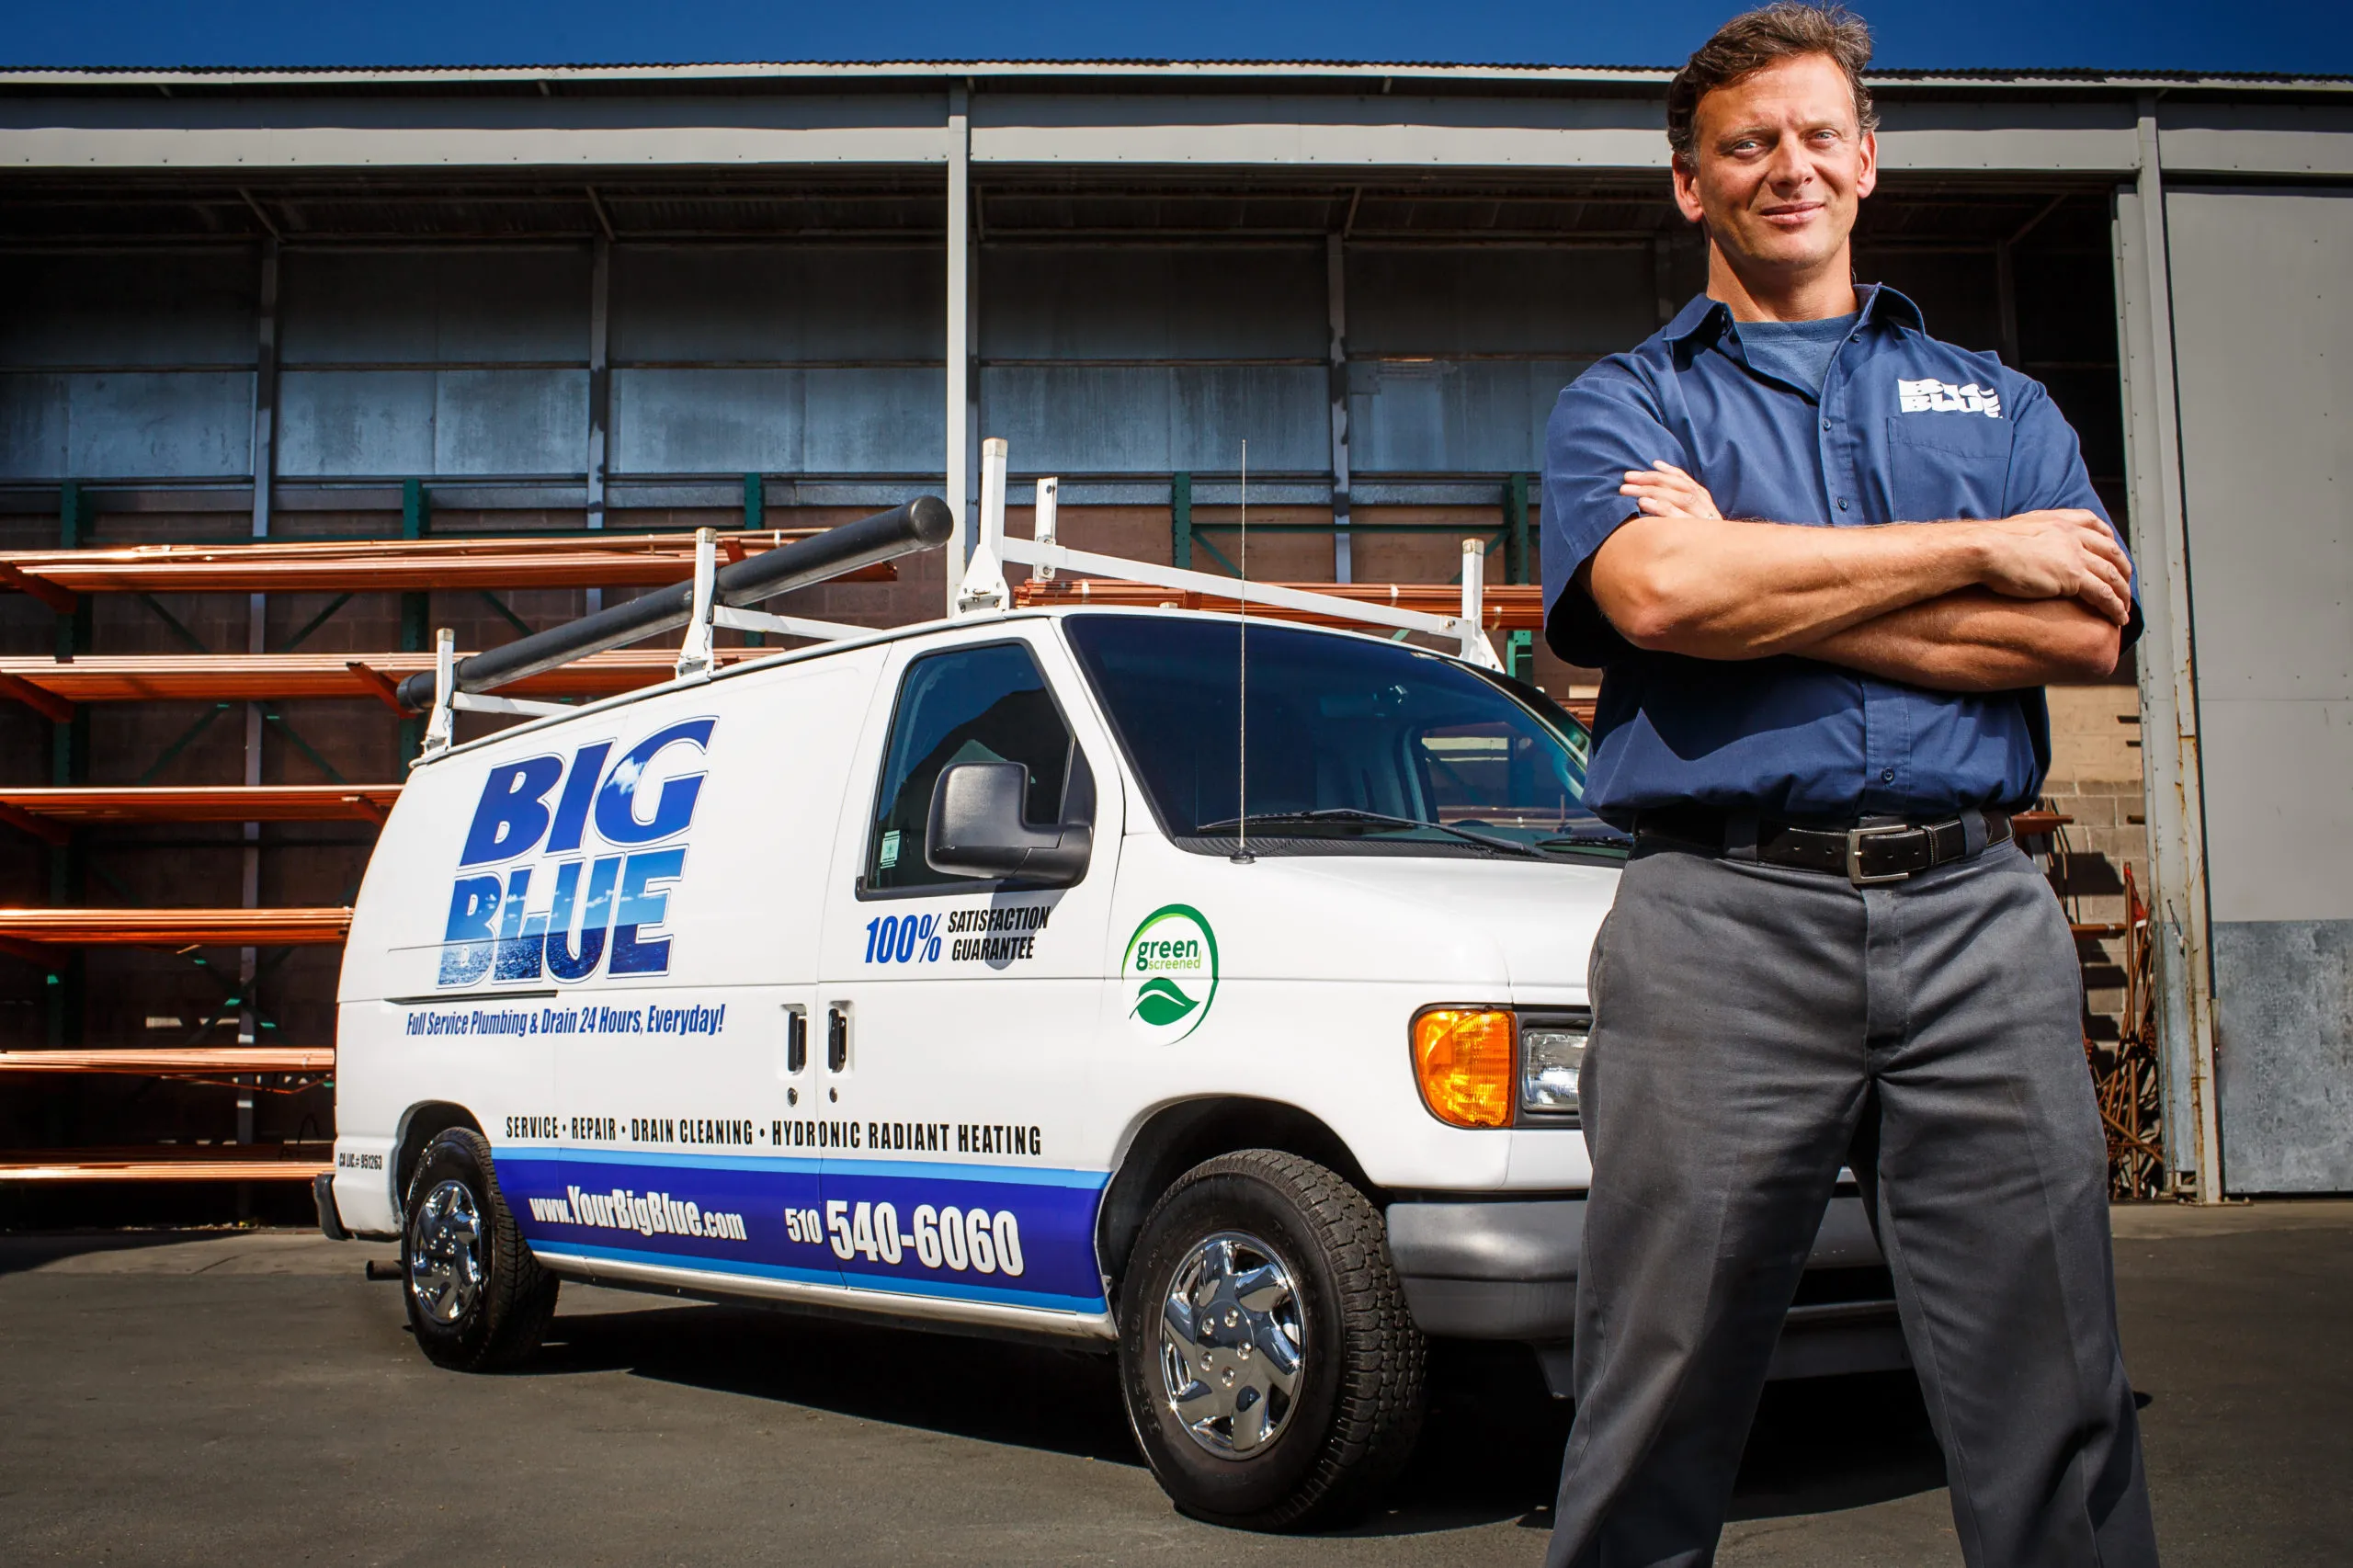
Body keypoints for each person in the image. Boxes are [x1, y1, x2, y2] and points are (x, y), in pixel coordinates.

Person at [1538, 6, 2160, 1566]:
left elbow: (2083, 623)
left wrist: (1759, 573)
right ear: (1693, 184)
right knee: (1656, 1386)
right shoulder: (1630, 403)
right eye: (1746, 144)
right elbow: (1665, 601)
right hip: (1720, 922)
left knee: (2058, 1391)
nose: (1787, 167)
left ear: (1868, 159)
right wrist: (1974, 550)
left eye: (1819, 135)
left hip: (1978, 917)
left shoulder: (1995, 400)